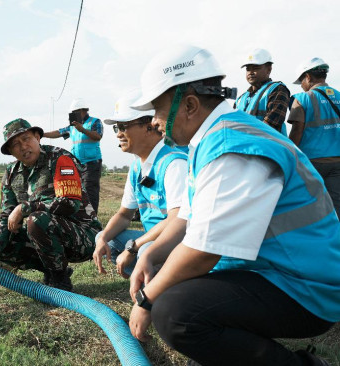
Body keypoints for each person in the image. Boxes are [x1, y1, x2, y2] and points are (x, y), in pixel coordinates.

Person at [125, 45, 340, 365]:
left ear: (190, 105)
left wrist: (146, 300)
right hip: (279, 272)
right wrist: (152, 254)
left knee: (175, 312)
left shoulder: (232, 145)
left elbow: (203, 251)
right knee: (176, 289)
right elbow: (187, 217)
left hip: (306, 288)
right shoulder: (211, 138)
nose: (154, 122)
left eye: (157, 109)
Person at [0, 118, 102, 291]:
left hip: (84, 236)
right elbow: (7, 215)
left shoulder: (60, 158)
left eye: (26, 139)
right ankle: (54, 269)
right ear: (11, 151)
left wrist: (24, 208)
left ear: (37, 137)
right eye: (15, 144)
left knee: (36, 219)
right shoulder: (11, 173)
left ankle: (60, 281)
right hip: (46, 235)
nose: (23, 147)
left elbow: (70, 203)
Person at [92, 91, 187, 278]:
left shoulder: (174, 163)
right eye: (116, 128)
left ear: (149, 126)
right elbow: (124, 214)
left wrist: (134, 247)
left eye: (123, 126)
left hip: (178, 241)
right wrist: (103, 237)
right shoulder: (137, 165)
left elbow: (177, 220)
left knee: (146, 251)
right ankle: (146, 278)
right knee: (106, 239)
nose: (119, 134)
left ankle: (158, 291)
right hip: (152, 237)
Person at [288, 57, 340, 217]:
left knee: (310, 209)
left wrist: (289, 155)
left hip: (311, 164)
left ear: (308, 77)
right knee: (335, 208)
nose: (302, 86)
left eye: (301, 81)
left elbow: (297, 130)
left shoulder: (302, 99)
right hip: (338, 163)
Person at [43, 98, 103, 214]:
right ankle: (82, 215)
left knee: (90, 191)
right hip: (77, 164)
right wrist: (42, 134)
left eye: (74, 112)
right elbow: (59, 132)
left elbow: (98, 136)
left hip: (91, 163)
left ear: (82, 111)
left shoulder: (95, 122)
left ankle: (92, 217)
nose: (72, 115)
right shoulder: (72, 127)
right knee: (78, 190)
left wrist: (83, 130)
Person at [234, 48, 290, 135]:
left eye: (256, 68)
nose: (251, 72)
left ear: (269, 69)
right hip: (244, 147)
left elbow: (271, 125)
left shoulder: (278, 89)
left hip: (269, 147)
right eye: (248, 69)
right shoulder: (240, 99)